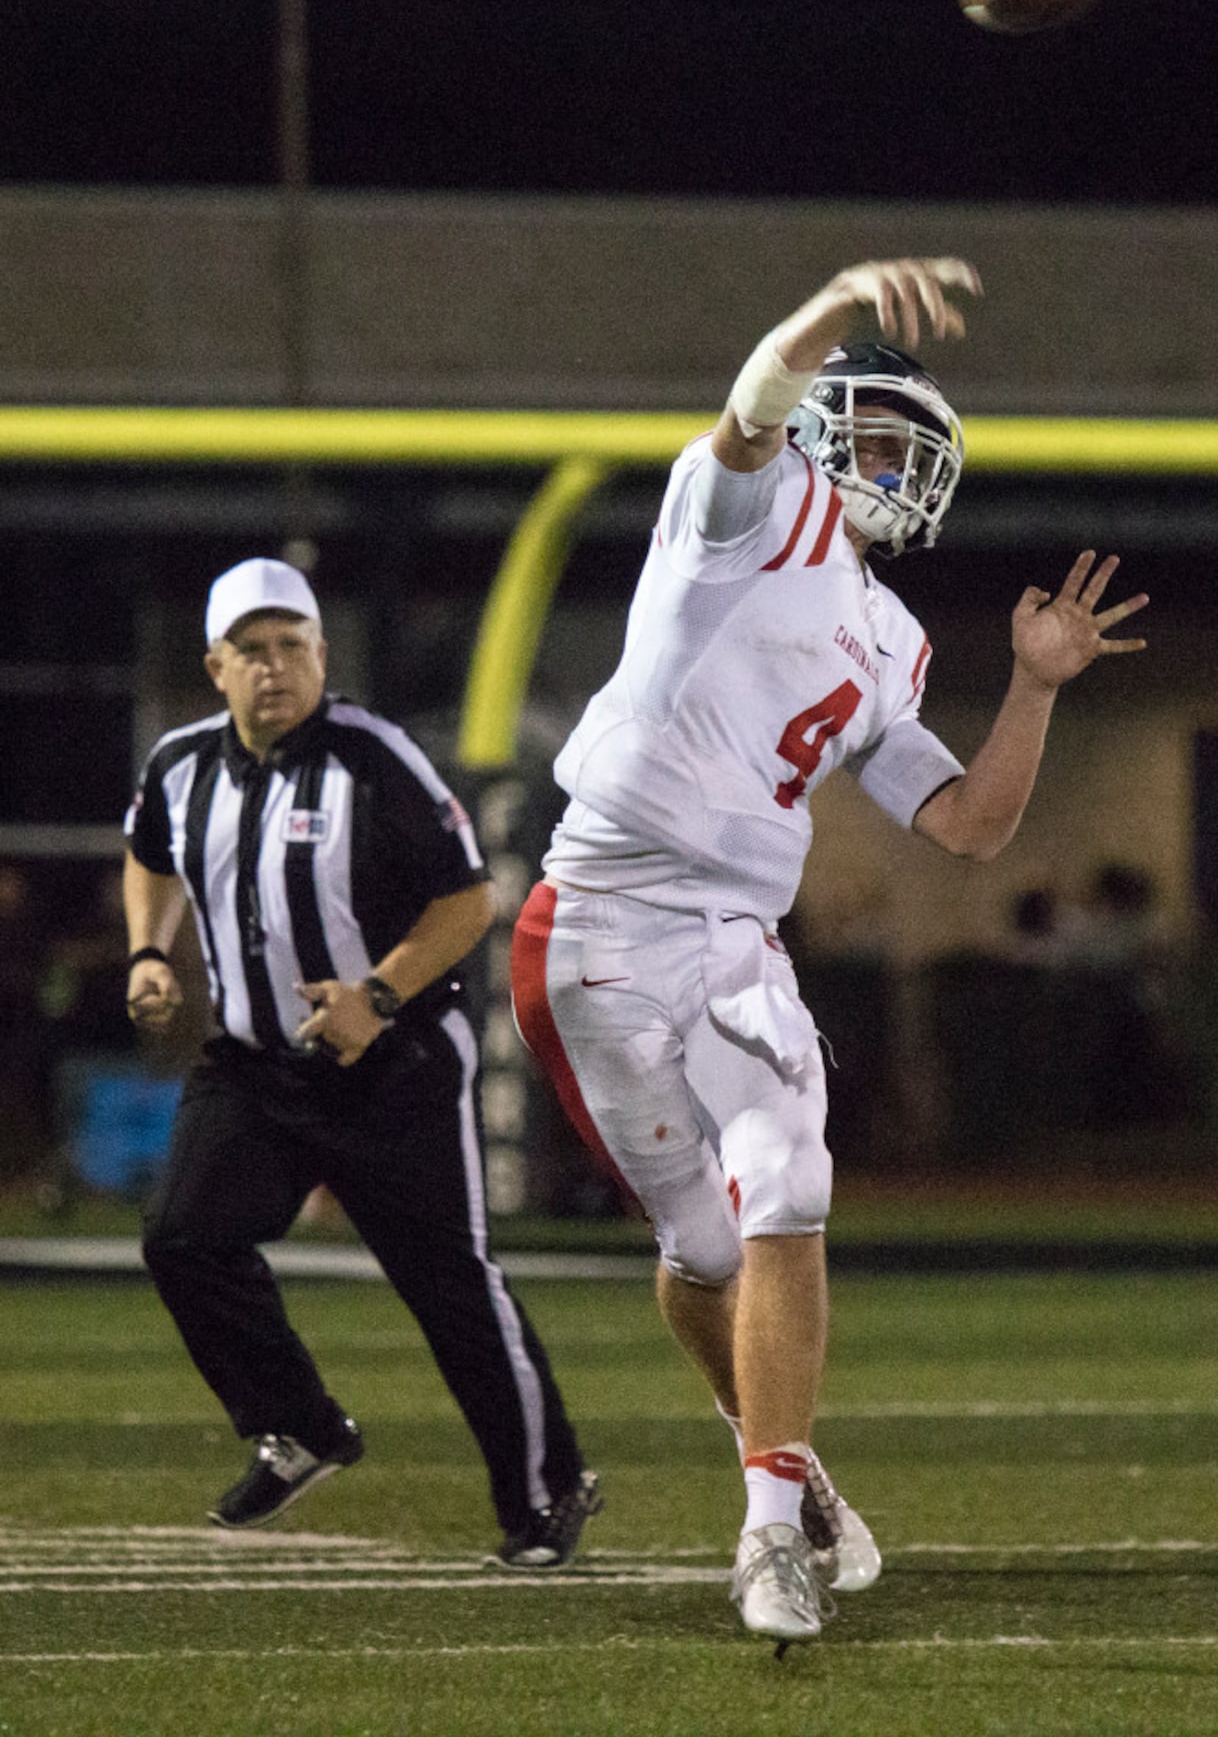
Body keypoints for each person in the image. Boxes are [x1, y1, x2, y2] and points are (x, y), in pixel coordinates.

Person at [510, 256, 1148, 1646]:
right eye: (865, 435)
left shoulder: (893, 638)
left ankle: (763, 1530)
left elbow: (971, 824)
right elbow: (749, 403)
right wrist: (841, 298)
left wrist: (1034, 689)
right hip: (597, 919)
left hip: (732, 936)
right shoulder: (747, 510)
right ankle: (791, 1470)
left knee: (788, 1185)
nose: (885, 467)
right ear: (816, 431)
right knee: (696, 1248)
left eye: (901, 453)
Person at [123, 556, 600, 1567]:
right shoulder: (181, 764)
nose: (273, 667)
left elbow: (466, 900)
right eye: (250, 651)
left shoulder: (373, 758)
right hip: (255, 1064)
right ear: (215, 666)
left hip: (395, 1061)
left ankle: (548, 1491)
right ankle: (300, 1428)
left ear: (321, 655)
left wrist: (376, 995)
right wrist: (150, 950)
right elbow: (151, 851)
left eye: (290, 645)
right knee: (184, 1242)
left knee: (448, 1285)